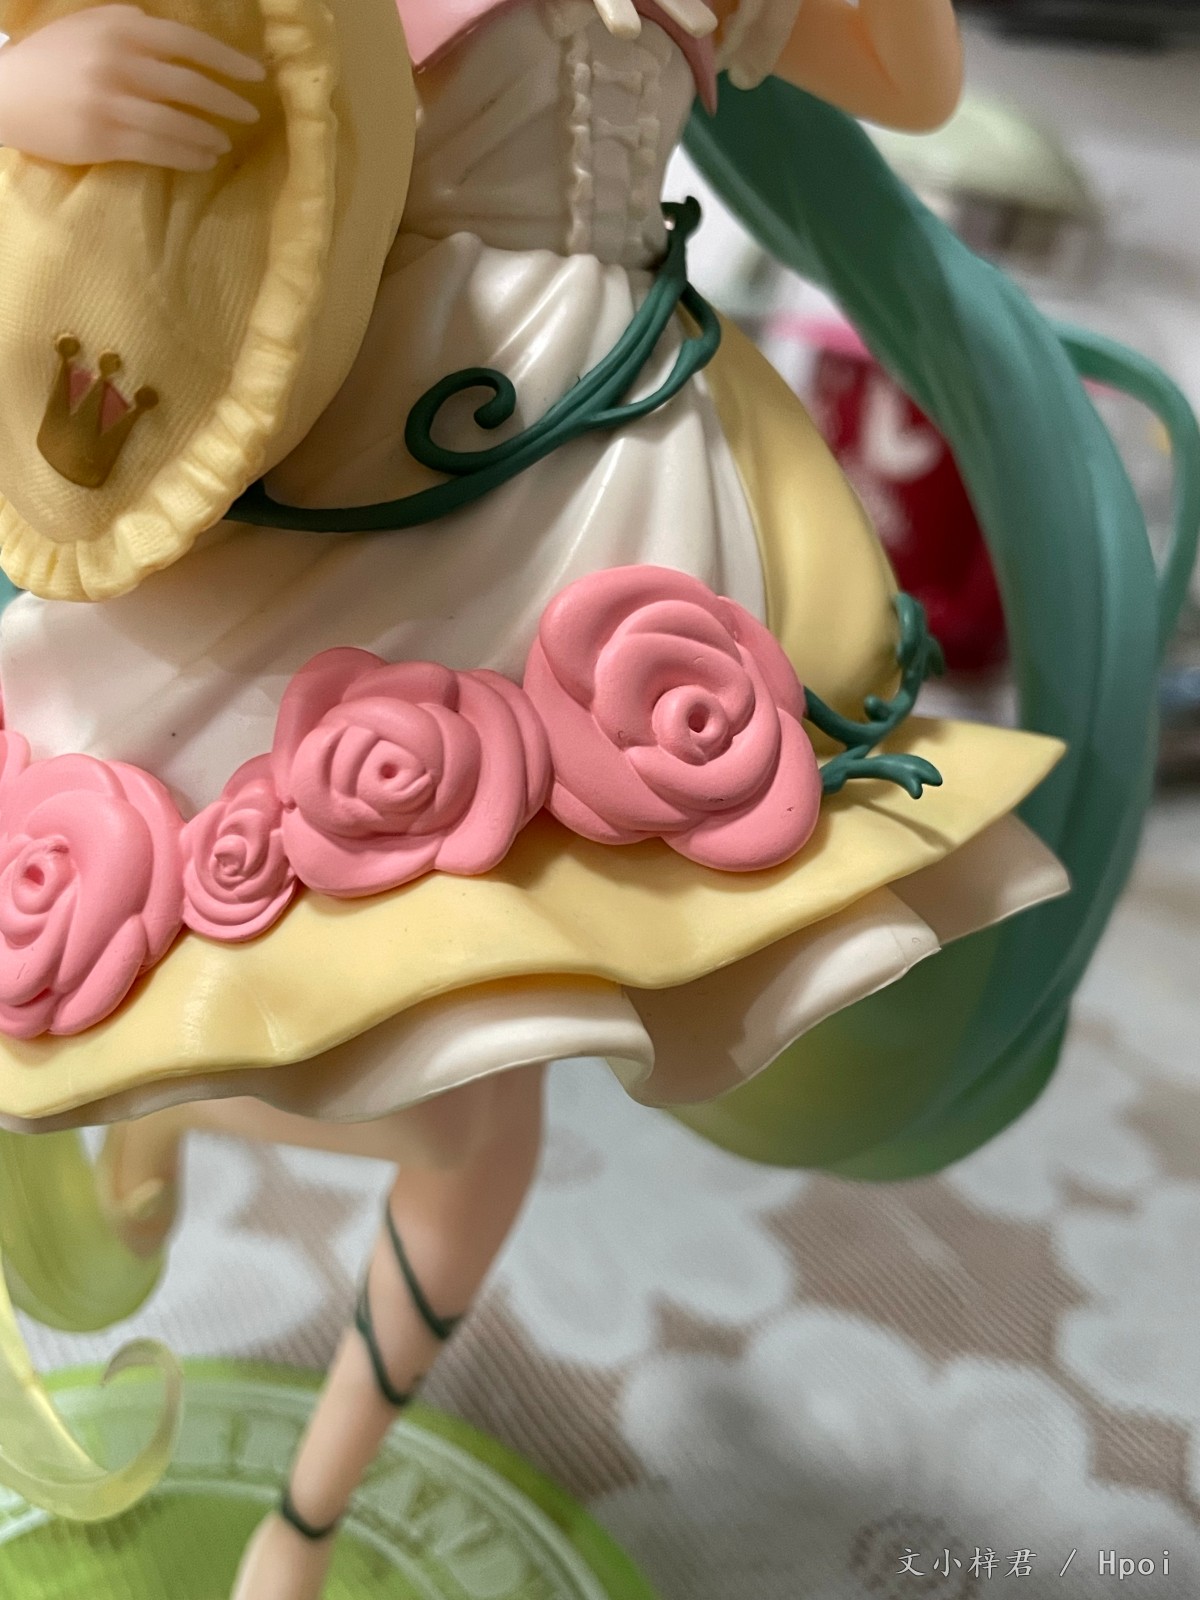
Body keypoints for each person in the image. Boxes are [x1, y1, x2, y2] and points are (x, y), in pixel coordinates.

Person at [0, 4, 1191, 1598]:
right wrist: (25, 89)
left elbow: (916, 81)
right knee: (200, 930)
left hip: (623, 480)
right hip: (371, 436)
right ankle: (148, 1144)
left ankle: (301, 1532)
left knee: (486, 1102)